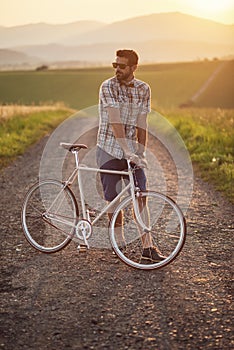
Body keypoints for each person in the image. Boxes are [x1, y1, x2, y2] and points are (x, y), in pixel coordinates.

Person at [96, 49, 164, 262]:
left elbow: (142, 122)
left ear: (134, 67)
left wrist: (140, 151)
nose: (117, 69)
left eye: (122, 66)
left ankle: (148, 247)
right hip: (108, 149)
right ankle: (119, 243)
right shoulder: (107, 86)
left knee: (140, 196)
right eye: (114, 65)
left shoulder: (143, 89)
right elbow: (115, 121)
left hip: (132, 152)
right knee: (113, 200)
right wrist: (125, 151)